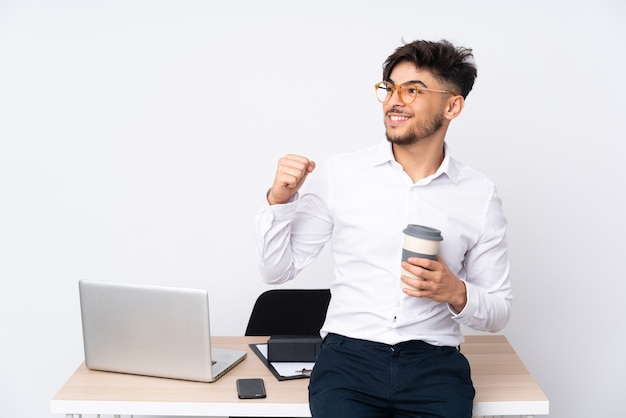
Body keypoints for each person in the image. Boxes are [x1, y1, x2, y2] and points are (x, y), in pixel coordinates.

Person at [254, 39, 512, 418]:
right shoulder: (341, 174)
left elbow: (499, 310)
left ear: (453, 105)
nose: (394, 101)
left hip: (434, 365)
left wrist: (455, 291)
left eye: (413, 90)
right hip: (347, 362)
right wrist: (279, 201)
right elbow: (276, 270)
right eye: (390, 88)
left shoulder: (479, 195)